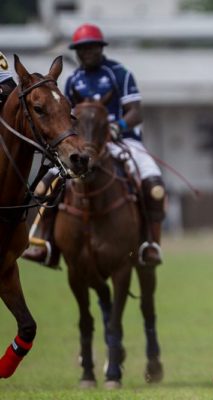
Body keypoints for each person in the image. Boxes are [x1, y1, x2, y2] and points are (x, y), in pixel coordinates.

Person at [21, 23, 165, 268]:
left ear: (101, 48)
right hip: (84, 142)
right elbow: (65, 117)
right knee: (47, 184)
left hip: (123, 140)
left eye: (92, 47)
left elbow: (135, 112)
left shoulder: (119, 73)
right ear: (76, 52)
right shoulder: (73, 80)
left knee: (154, 185)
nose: (87, 52)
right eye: (81, 48)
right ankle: (45, 244)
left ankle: (150, 243)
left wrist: (117, 126)